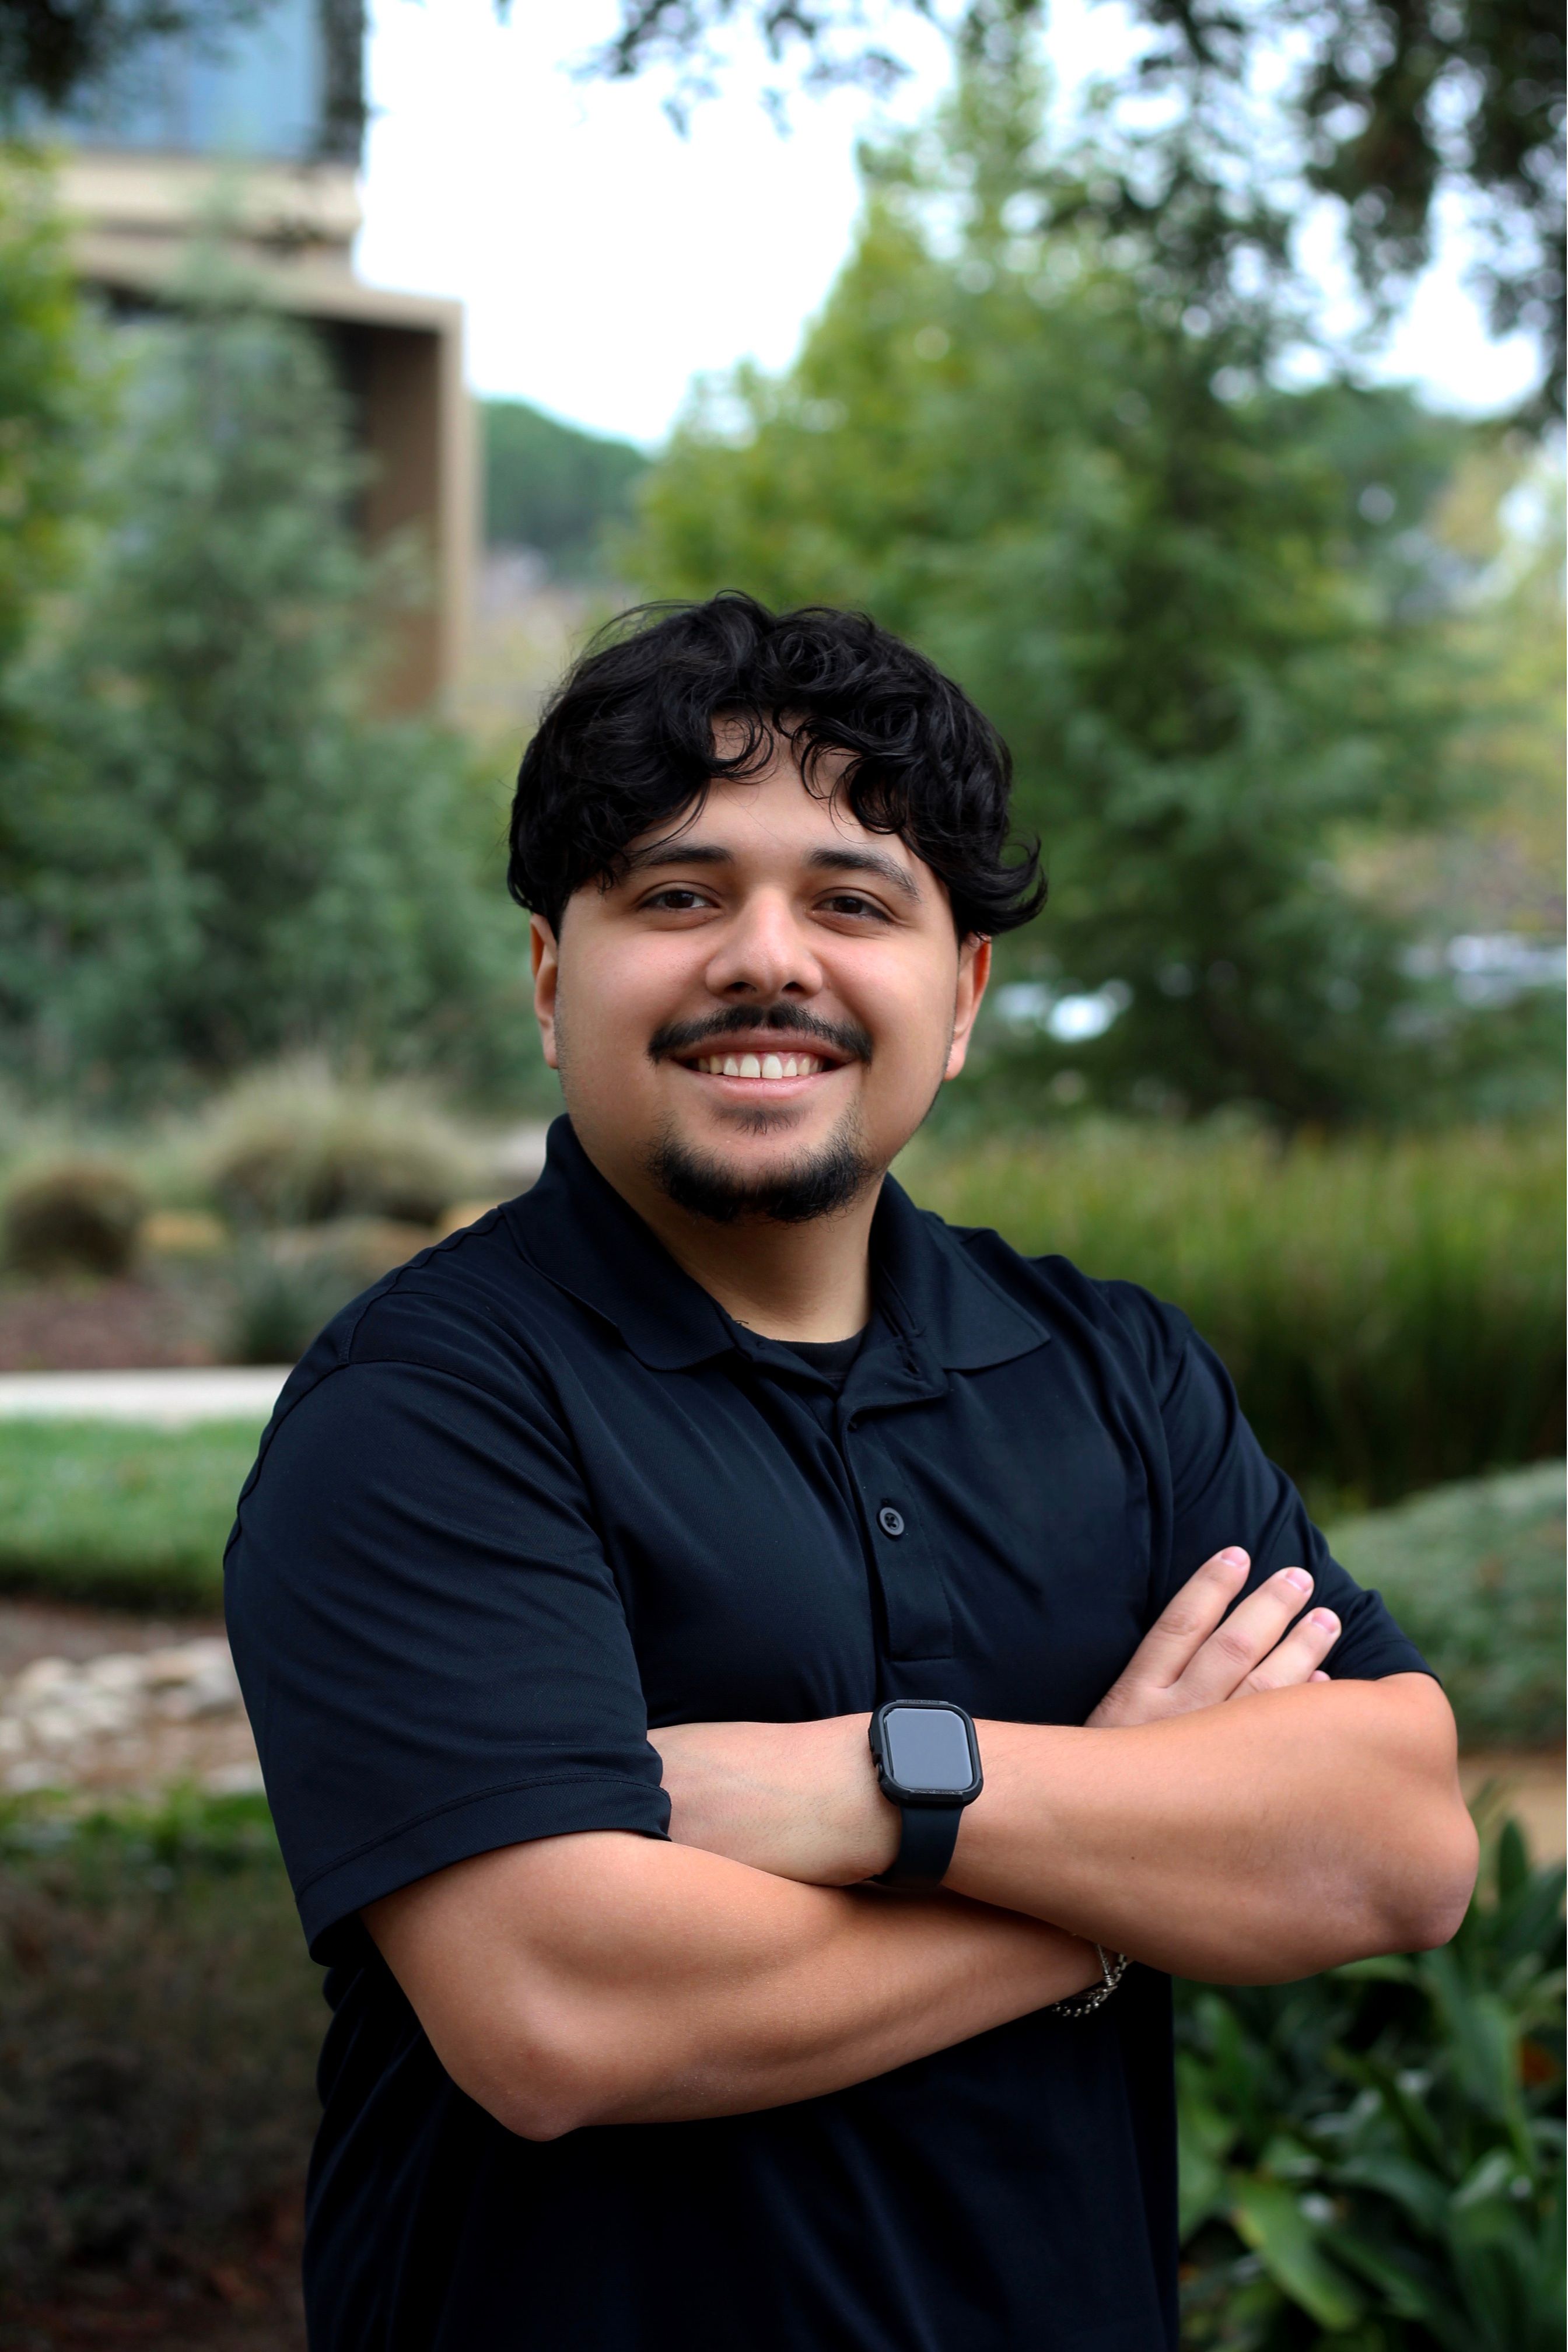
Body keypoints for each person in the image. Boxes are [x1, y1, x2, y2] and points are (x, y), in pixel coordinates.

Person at [225, 592, 1477, 2352]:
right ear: (549, 975)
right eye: (678, 893)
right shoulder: (425, 1409)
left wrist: (887, 1789)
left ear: (957, 995)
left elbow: (1399, 1844)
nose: (767, 957)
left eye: (851, 900)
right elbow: (560, 2012)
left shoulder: (1113, 1371)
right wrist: (1115, 1886)